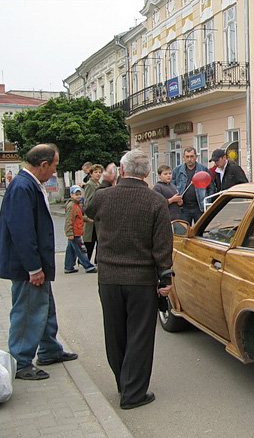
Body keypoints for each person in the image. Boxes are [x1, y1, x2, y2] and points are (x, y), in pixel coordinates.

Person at [85, 149, 174, 410]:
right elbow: (162, 244)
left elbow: (89, 209)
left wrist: (106, 183)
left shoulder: (103, 196)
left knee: (115, 334)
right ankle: (134, 392)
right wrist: (165, 276)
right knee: (140, 335)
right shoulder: (155, 201)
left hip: (109, 278)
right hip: (142, 279)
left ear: (121, 171)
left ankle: (123, 384)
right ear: (147, 173)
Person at [0, 144, 78, 381]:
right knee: (27, 312)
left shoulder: (29, 184)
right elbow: (22, 232)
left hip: (36, 264)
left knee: (44, 307)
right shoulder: (22, 187)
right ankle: (21, 362)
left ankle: (49, 349)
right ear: (43, 164)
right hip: (28, 267)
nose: (54, 170)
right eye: (54, 165)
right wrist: (34, 268)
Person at [172, 147, 214, 225]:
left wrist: (207, 202)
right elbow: (172, 187)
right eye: (187, 157)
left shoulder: (203, 170)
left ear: (196, 157)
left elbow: (211, 187)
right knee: (184, 231)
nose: (189, 159)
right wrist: (176, 199)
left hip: (199, 207)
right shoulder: (177, 171)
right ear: (183, 157)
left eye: (191, 156)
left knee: (199, 230)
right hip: (183, 208)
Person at [64, 185, 97, 274]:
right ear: (71, 195)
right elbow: (69, 220)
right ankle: (88, 266)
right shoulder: (72, 206)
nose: (78, 196)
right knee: (80, 250)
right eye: (76, 194)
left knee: (71, 250)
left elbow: (79, 217)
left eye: (79, 194)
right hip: (74, 232)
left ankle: (68, 266)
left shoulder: (77, 205)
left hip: (76, 231)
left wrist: (87, 219)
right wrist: (70, 232)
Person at [82, 163, 103, 261]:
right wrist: (87, 215)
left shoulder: (98, 184)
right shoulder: (90, 184)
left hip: (98, 215)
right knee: (90, 240)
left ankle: (96, 259)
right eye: (96, 172)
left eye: (100, 172)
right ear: (91, 174)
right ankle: (85, 260)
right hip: (92, 215)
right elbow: (88, 200)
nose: (98, 174)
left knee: (98, 239)